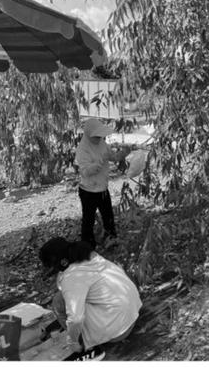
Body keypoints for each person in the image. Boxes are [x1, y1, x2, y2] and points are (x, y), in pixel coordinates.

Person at [39, 237, 142, 361]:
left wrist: (72, 341)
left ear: (63, 262)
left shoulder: (71, 276)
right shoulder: (91, 256)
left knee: (59, 301)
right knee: (70, 298)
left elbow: (76, 318)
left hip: (117, 332)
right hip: (131, 315)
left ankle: (83, 345)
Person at [75, 118, 119, 247]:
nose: (99, 138)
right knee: (88, 219)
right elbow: (85, 171)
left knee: (108, 215)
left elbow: (112, 156)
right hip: (88, 190)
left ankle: (111, 237)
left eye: (100, 135)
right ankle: (87, 245)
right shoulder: (82, 149)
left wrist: (122, 154)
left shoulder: (102, 144)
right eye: (96, 136)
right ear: (89, 135)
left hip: (102, 188)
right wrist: (96, 165)